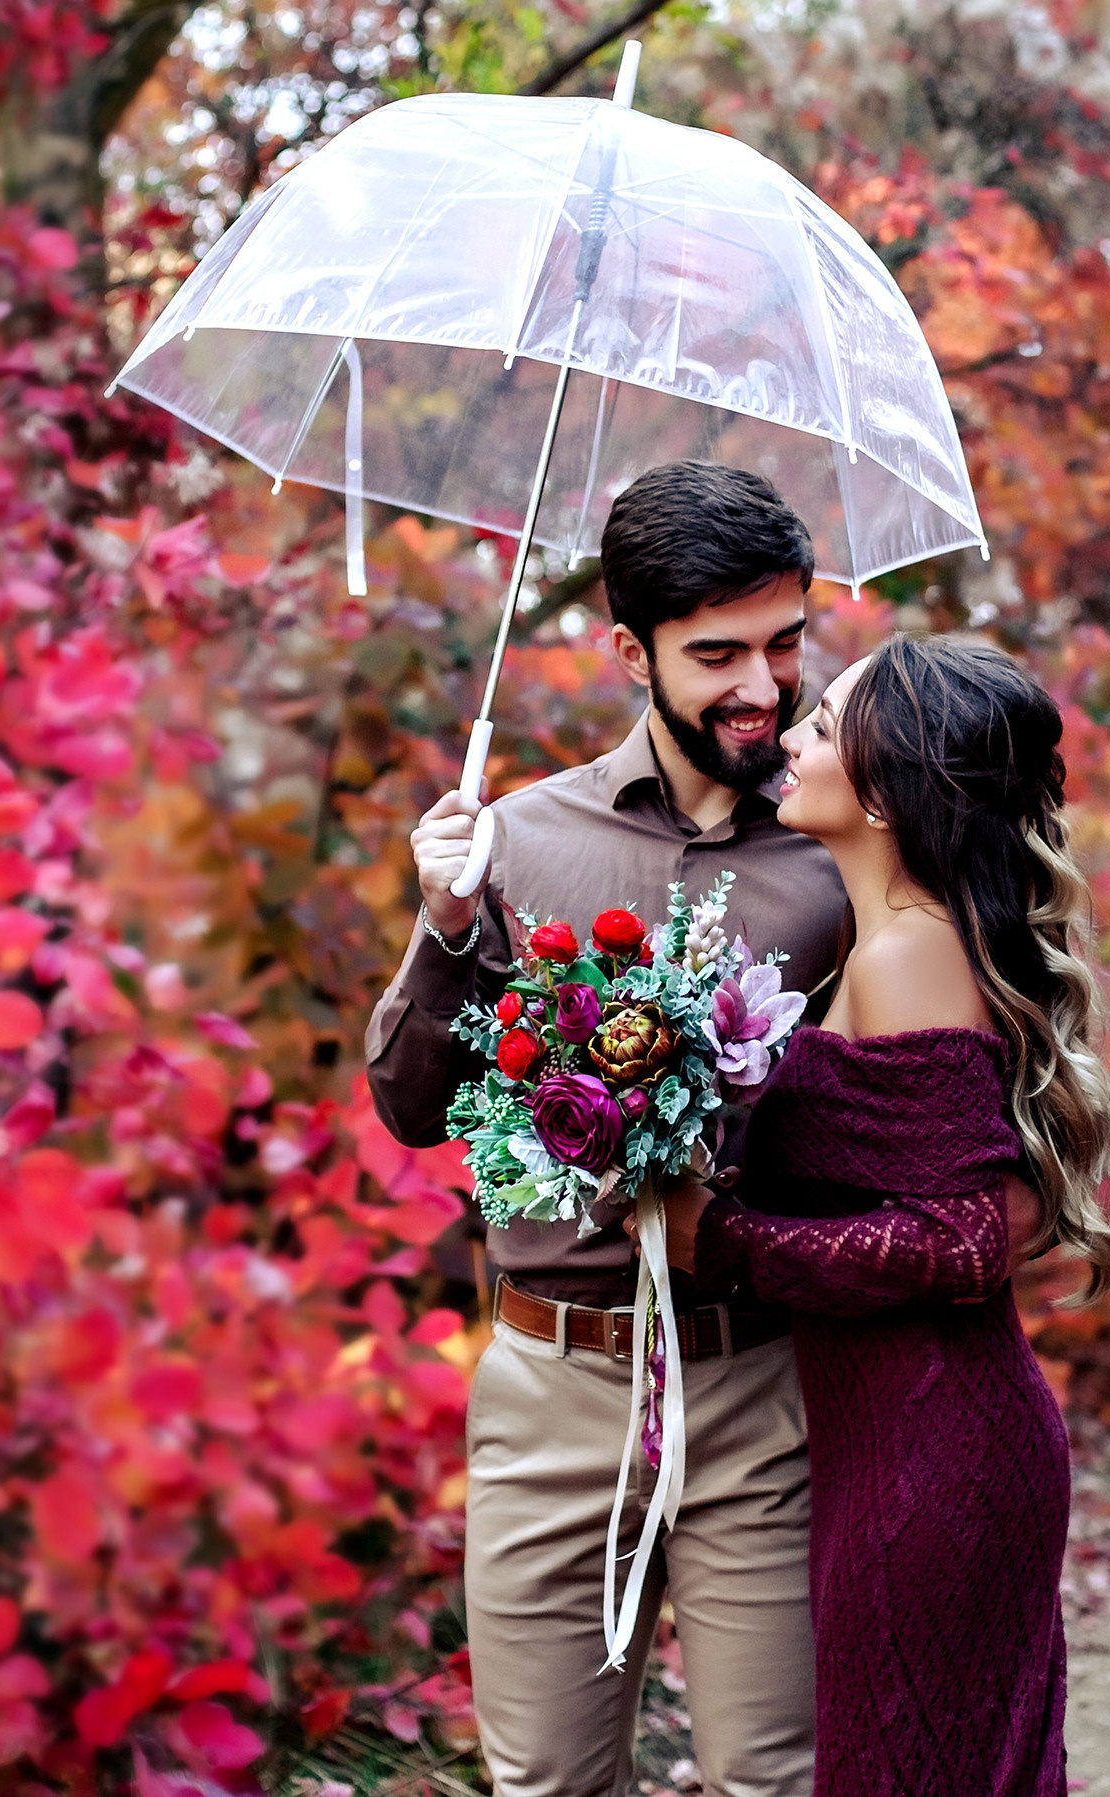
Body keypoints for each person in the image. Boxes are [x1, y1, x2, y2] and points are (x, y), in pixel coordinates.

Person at [364, 461, 845, 1797]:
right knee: (551, 1786)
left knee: (779, 1777)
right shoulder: (515, 840)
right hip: (554, 1385)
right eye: (718, 654)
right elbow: (408, 1109)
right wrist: (448, 926)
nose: (763, 685)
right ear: (630, 651)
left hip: (761, 1379)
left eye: (787, 643)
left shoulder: (837, 847)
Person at [664, 633, 1110, 1797]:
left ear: (881, 792)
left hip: (935, 1453)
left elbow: (962, 1240)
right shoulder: (887, 943)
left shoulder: (911, 953)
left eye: (822, 724)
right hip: (898, 1439)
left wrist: (722, 1241)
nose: (793, 733)